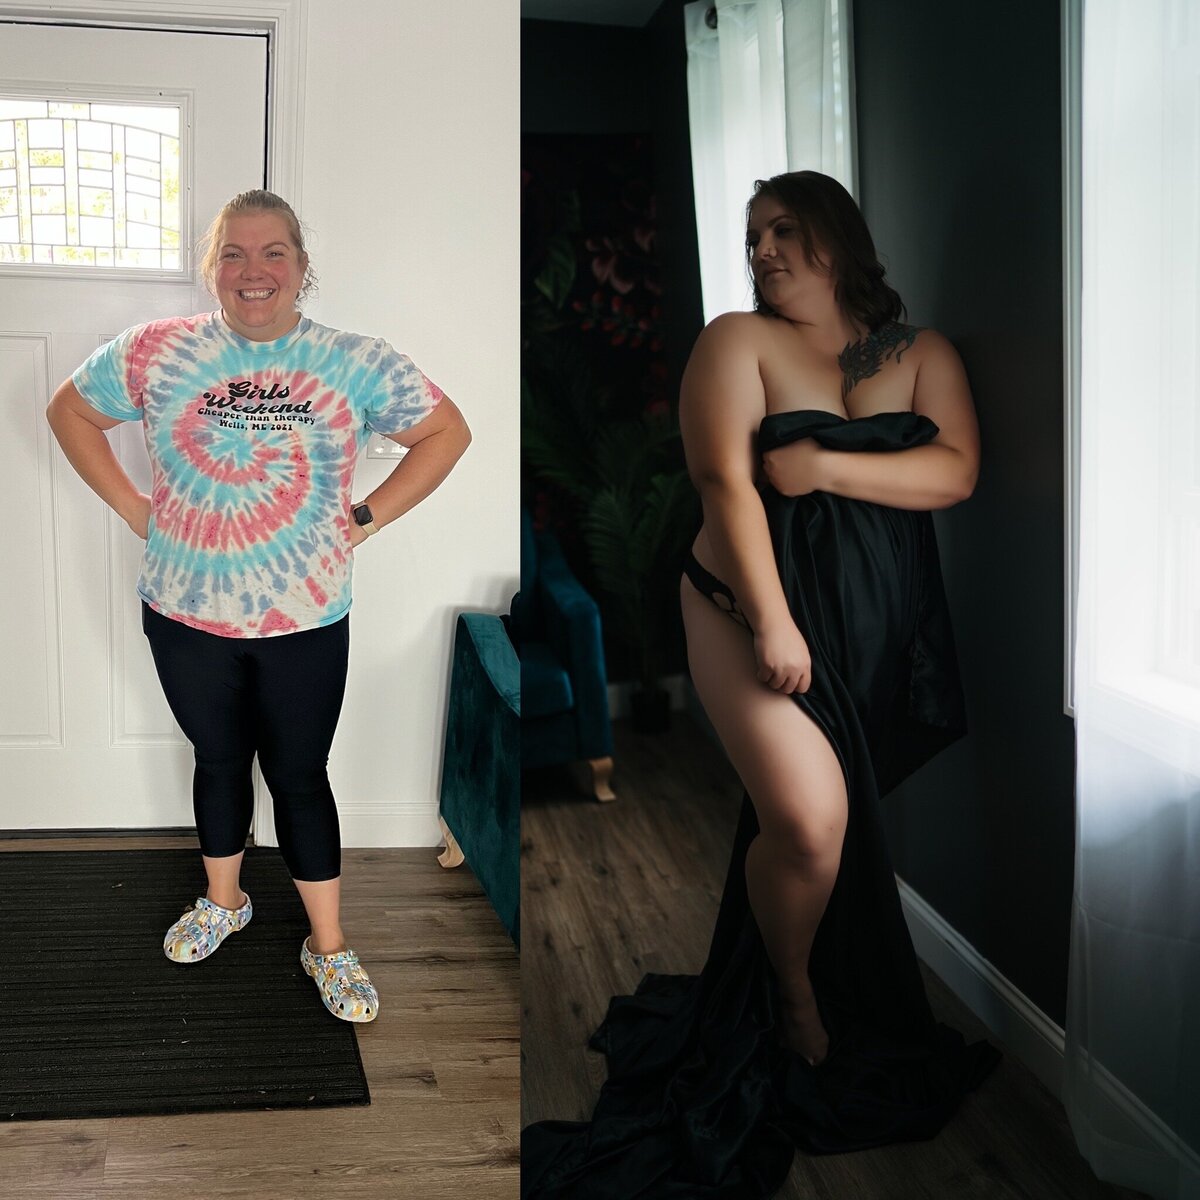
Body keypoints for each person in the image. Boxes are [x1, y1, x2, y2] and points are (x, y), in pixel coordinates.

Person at [522, 171, 1000, 1197]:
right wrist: (774, 618)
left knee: (810, 834)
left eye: (786, 230)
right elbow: (725, 482)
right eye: (753, 237)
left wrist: (825, 467)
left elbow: (954, 472)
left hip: (869, 636)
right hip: (743, 614)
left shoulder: (907, 353)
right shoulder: (738, 341)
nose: (764, 250)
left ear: (840, 235)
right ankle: (790, 996)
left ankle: (799, 964)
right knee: (811, 823)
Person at [46, 189, 471, 1024]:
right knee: (216, 759)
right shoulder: (156, 351)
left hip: (305, 617)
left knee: (300, 777)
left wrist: (364, 519)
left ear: (302, 269)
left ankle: (330, 944)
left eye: (273, 253)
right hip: (183, 608)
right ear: (211, 269)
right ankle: (224, 902)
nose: (252, 271)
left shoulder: (353, 360)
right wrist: (138, 508)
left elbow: (446, 431)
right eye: (233, 255)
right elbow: (68, 411)